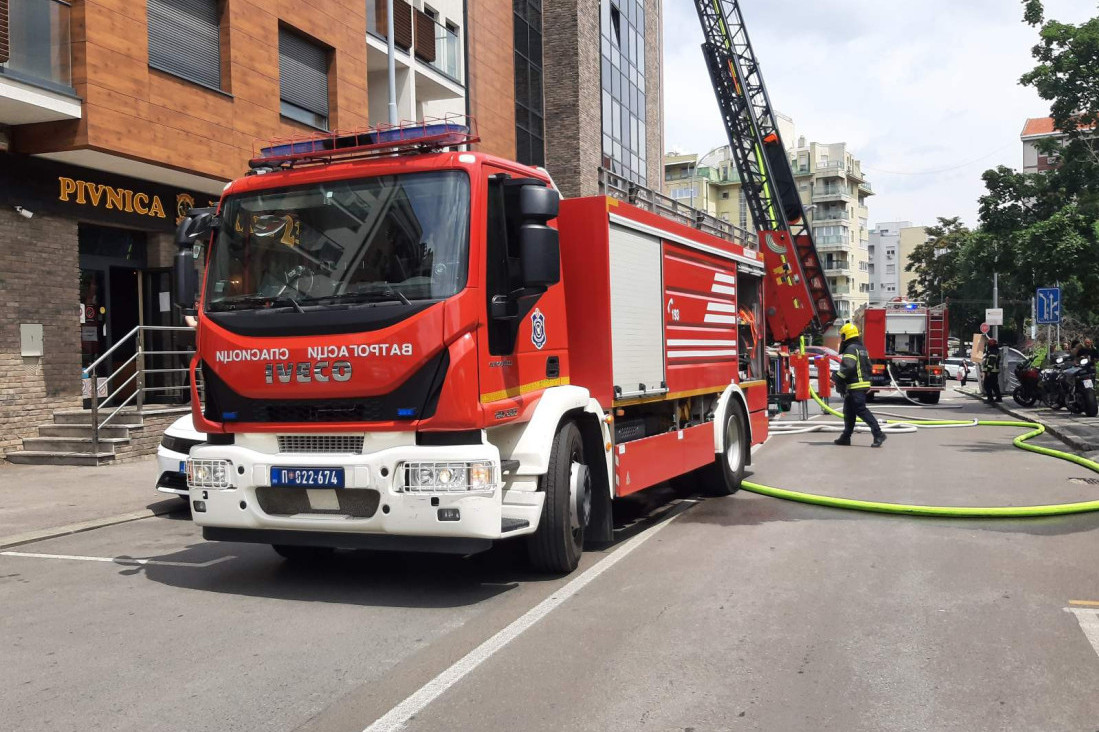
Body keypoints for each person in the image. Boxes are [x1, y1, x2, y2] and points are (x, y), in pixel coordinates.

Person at [832, 322, 886, 448]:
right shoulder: (861, 348)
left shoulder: (851, 349)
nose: (842, 339)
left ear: (846, 336)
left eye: (842, 336)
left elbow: (848, 367)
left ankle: (878, 434)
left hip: (856, 385)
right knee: (849, 412)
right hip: (859, 384)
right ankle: (846, 437)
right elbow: (867, 366)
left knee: (861, 410)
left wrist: (837, 377)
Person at [982, 338, 1003, 403]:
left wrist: (988, 371)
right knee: (994, 385)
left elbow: (991, 361)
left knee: (986, 385)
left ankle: (990, 398)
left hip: (991, 371)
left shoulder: (992, 351)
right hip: (994, 371)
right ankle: (998, 398)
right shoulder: (995, 351)